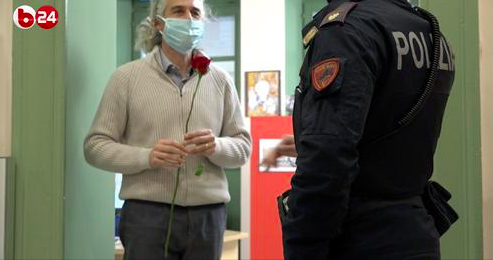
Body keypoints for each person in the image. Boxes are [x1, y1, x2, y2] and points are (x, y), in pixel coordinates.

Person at [280, 0, 456, 259]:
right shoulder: (428, 31)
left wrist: (302, 247)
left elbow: (327, 159)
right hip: (416, 231)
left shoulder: (346, 31)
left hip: (359, 237)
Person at [83, 0, 251, 259]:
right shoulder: (125, 78)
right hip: (146, 215)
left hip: (208, 215)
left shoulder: (220, 80)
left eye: (195, 12)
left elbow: (243, 147)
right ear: (159, 23)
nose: (188, 19)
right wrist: (146, 157)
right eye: (178, 11)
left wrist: (217, 146)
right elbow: (95, 146)